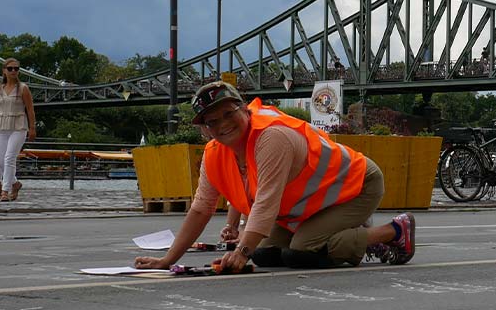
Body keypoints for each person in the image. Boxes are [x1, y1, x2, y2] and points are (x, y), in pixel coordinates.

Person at [133, 81, 415, 273]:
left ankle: (392, 232)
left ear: (244, 110)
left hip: (355, 186)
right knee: (264, 254)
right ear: (205, 129)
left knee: (303, 252)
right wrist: (168, 260)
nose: (222, 124)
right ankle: (348, 232)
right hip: (310, 205)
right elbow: (201, 208)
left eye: (228, 113)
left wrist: (240, 253)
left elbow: (265, 202)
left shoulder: (270, 139)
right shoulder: (214, 154)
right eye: (212, 121)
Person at [0, 58, 36, 202]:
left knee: (9, 158)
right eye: (10, 68)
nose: (13, 71)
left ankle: (5, 191)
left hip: (18, 125)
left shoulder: (23, 88)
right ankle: (15, 184)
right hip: (2, 125)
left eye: (16, 68)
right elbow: (0, 109)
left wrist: (32, 128)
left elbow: (30, 109)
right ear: (4, 70)